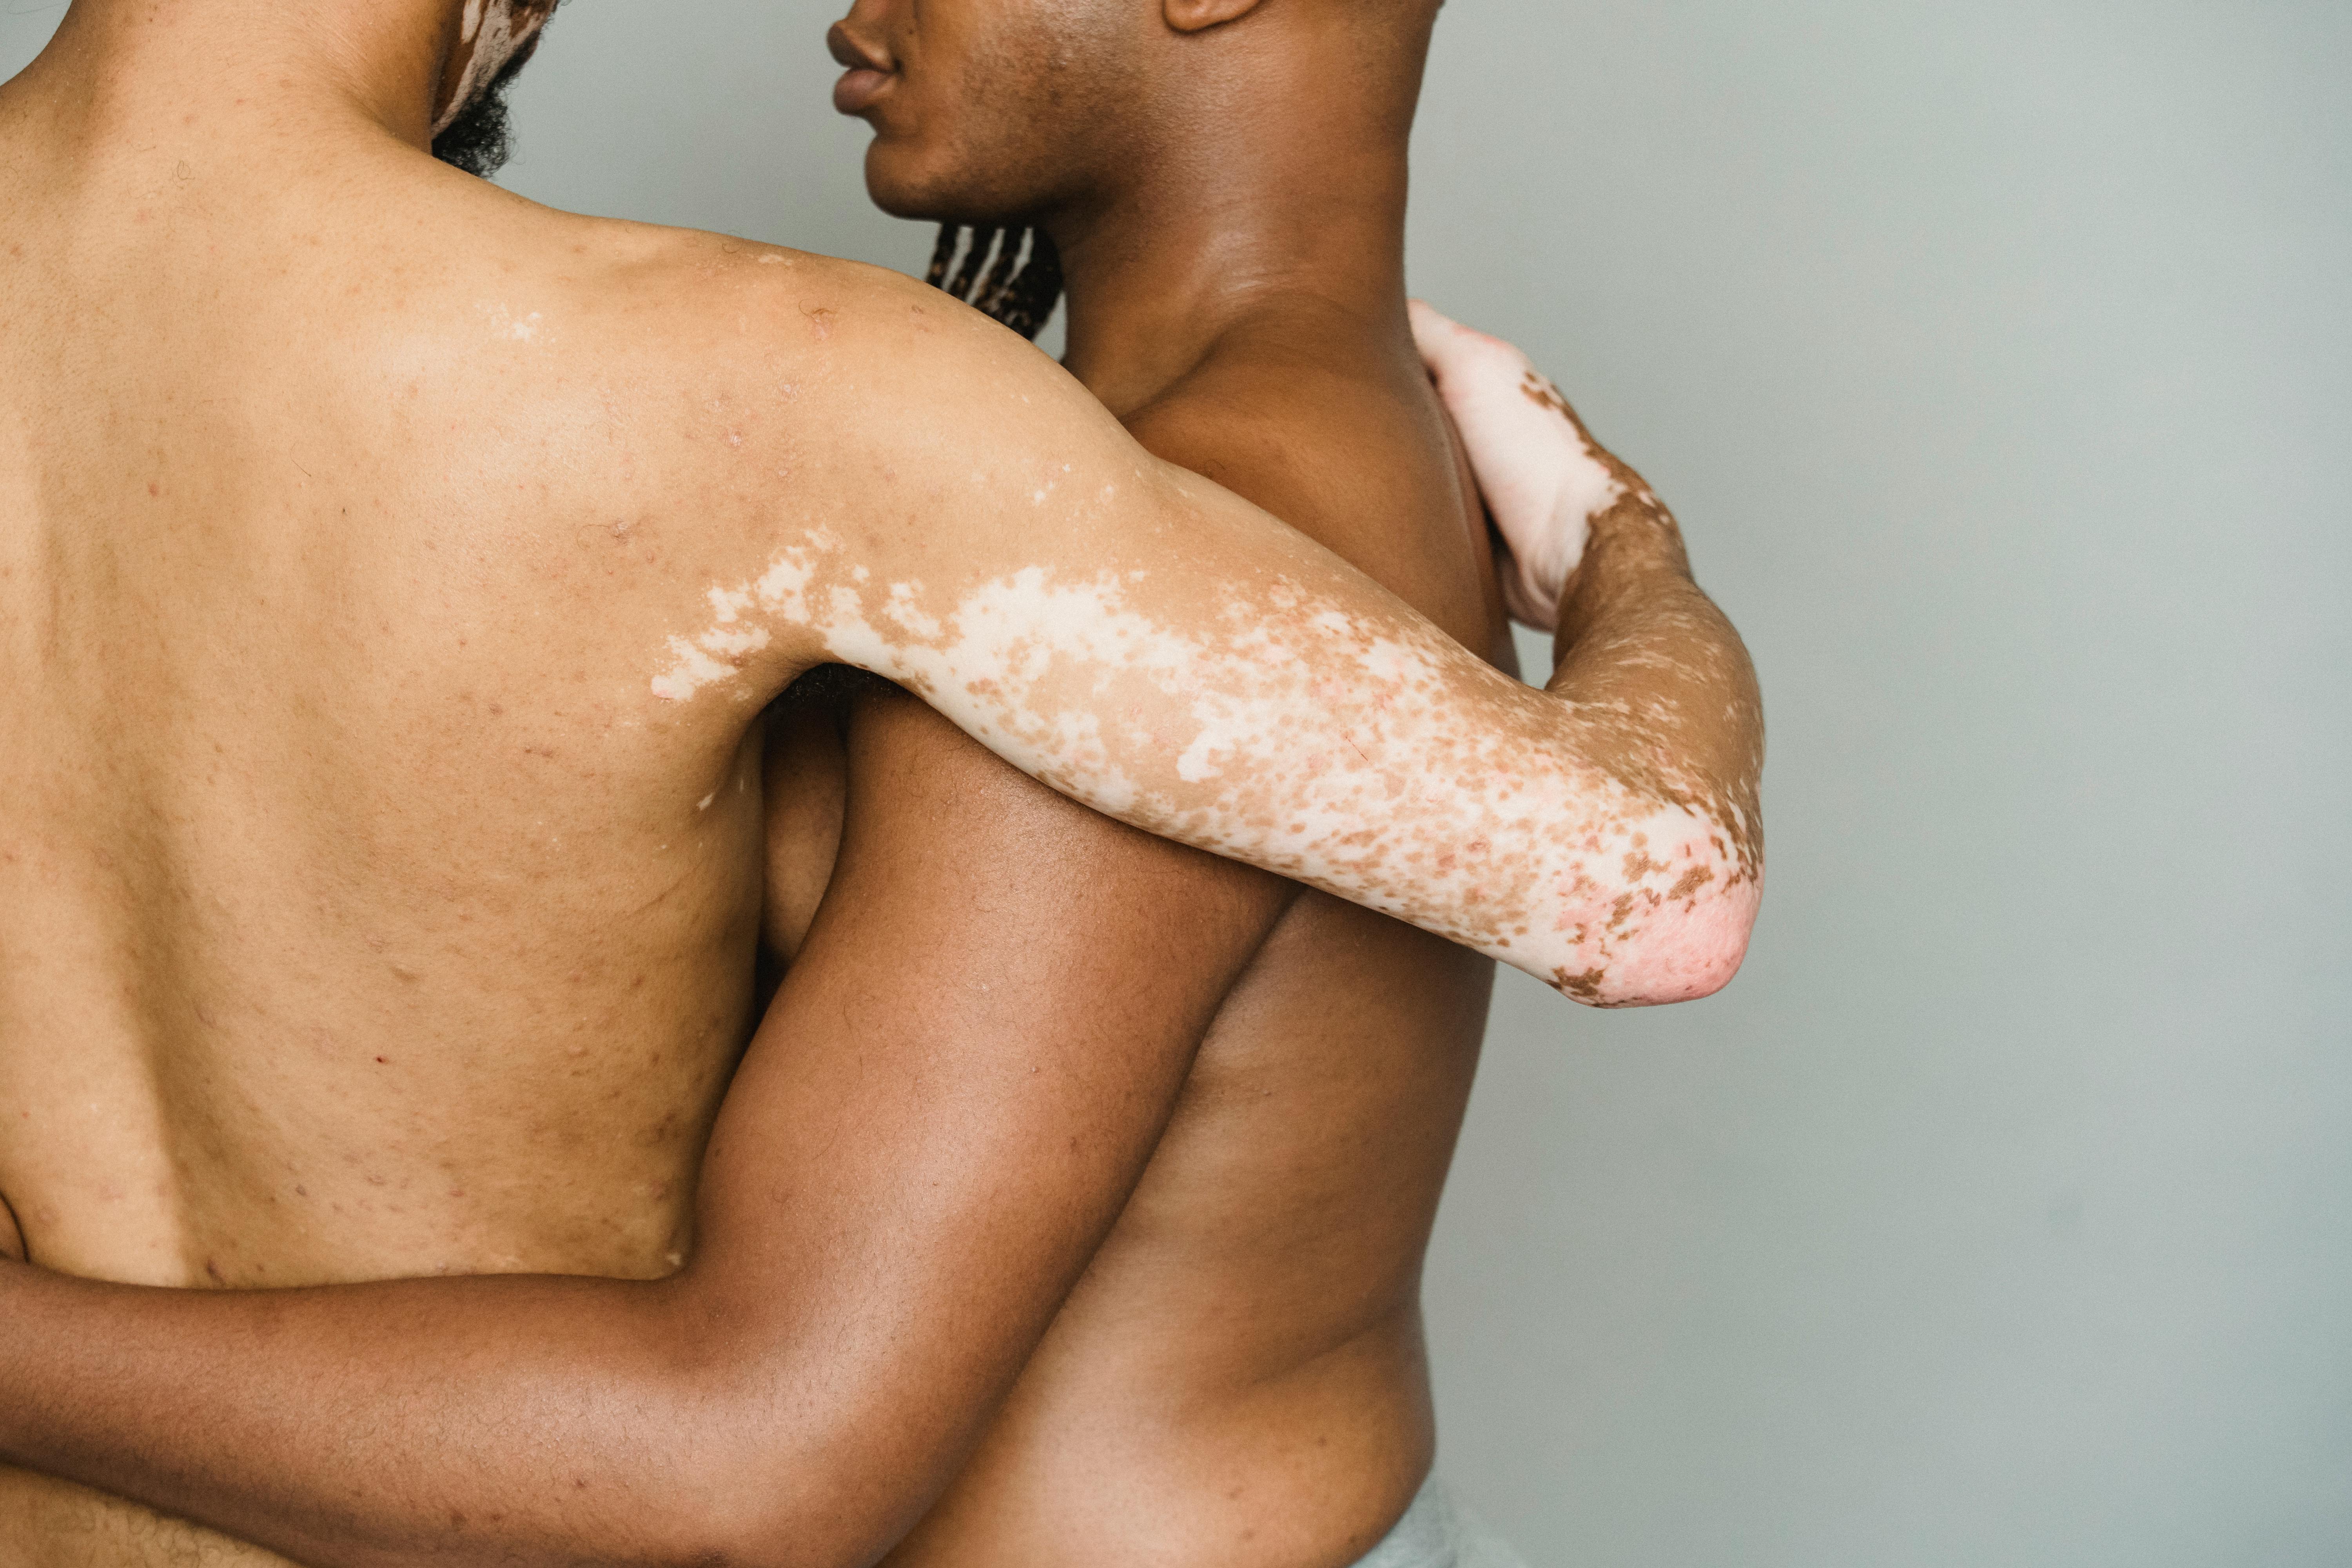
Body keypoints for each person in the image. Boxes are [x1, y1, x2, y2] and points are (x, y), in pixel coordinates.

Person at [0, 0, 1762, 1563]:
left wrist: (1633, 556)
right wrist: (1625, 563)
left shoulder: (1182, 499)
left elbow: (756, 1443)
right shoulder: (949, 469)